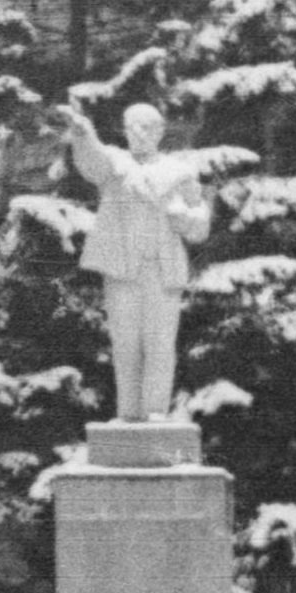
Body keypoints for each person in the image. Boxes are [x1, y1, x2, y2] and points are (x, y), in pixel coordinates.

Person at [60, 94, 215, 427]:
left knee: (159, 341)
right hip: (122, 266)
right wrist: (83, 132)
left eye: (147, 126)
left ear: (160, 131)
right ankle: (128, 411)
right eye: (133, 126)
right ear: (124, 131)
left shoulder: (179, 171)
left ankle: (156, 409)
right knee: (125, 342)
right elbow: (92, 160)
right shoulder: (115, 164)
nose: (140, 133)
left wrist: (182, 217)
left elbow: (200, 224)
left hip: (162, 267)